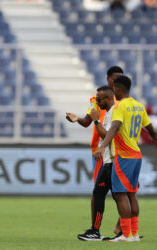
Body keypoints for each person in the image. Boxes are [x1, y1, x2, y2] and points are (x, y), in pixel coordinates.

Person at [95, 75, 157, 242]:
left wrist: (102, 146)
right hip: (137, 154)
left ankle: (126, 234)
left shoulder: (119, 106)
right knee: (131, 195)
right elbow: (150, 128)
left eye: (114, 88)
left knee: (121, 194)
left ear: (117, 89)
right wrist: (155, 139)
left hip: (124, 156)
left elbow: (115, 126)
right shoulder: (138, 106)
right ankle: (134, 234)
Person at [66, 66, 123, 240]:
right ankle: (118, 229)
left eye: (120, 79)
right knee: (105, 190)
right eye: (115, 78)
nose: (117, 82)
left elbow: (109, 130)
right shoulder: (96, 98)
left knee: (111, 190)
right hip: (98, 151)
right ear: (108, 80)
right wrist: (78, 120)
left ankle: (115, 228)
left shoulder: (123, 102)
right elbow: (88, 120)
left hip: (113, 151)